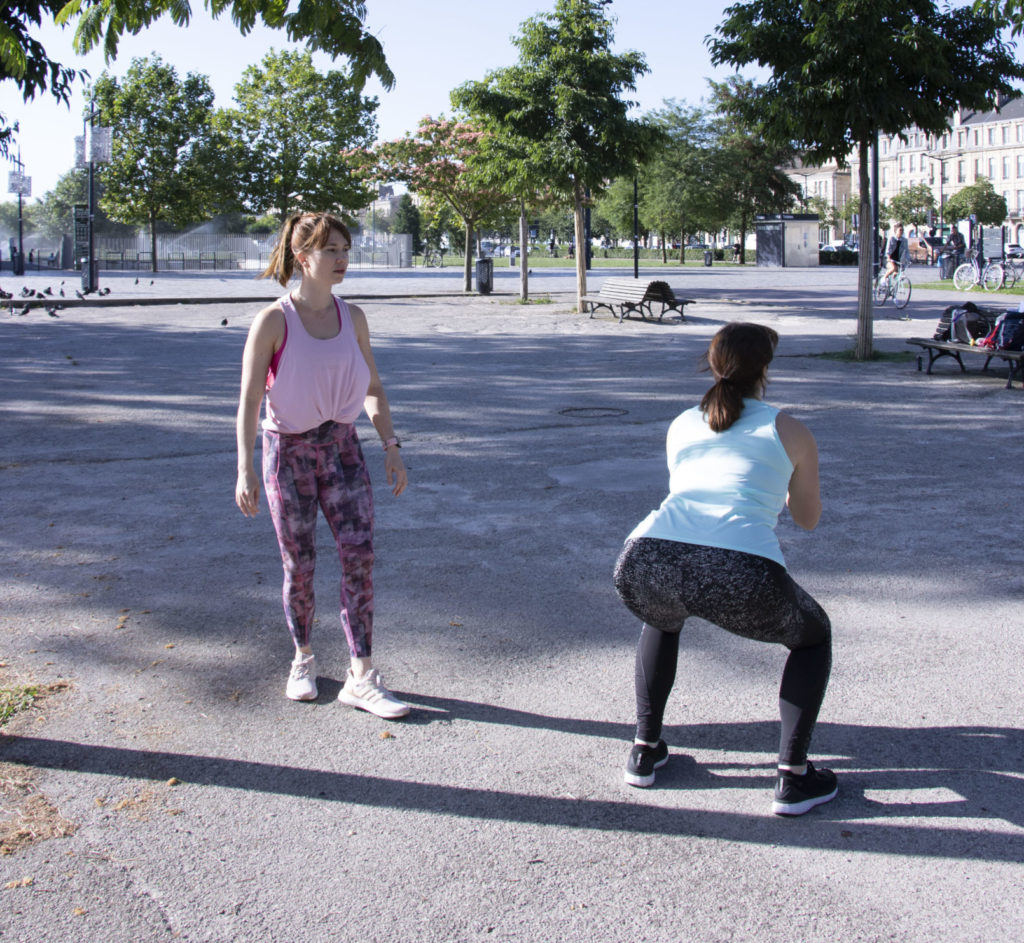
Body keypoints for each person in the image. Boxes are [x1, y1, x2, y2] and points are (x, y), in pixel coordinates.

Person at [613, 323, 835, 816]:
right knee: (813, 637)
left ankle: (644, 751)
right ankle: (794, 778)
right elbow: (807, 519)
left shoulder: (682, 423)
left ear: (713, 365)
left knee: (663, 615)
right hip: (740, 567)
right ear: (765, 370)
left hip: (644, 556)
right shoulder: (790, 429)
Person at [235, 212, 410, 719]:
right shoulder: (273, 321)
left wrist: (391, 445)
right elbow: (248, 402)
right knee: (300, 563)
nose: (341, 259)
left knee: (359, 556)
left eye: (345, 249)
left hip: (343, 449)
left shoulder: (352, 317)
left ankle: (361, 675)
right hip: (287, 453)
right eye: (330, 250)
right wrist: (244, 468)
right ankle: (304, 657)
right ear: (301, 257)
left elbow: (373, 388)